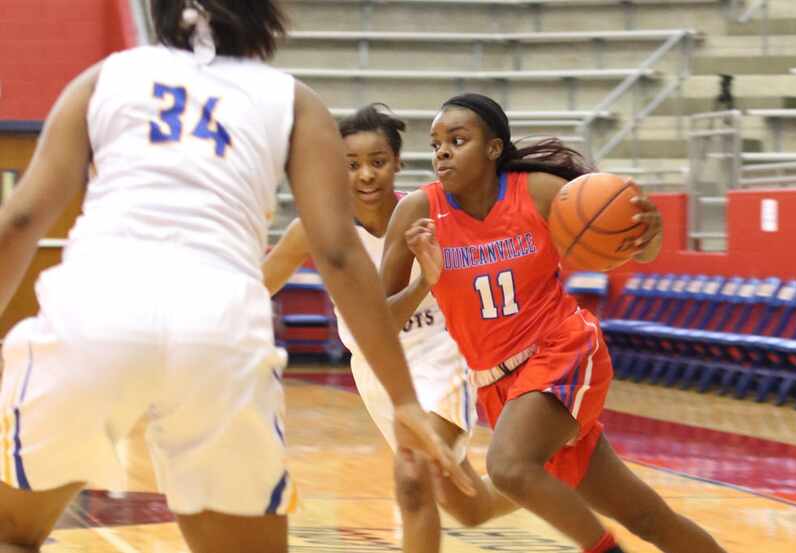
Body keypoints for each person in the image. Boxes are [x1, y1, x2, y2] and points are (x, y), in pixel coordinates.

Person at [0, 2, 471, 552]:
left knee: (13, 532)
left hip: (93, 311)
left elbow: (20, 218)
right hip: (218, 328)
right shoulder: (293, 100)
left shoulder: (104, 78)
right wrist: (405, 400)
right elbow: (340, 256)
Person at [380, 93, 728, 553]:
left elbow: (632, 245)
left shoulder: (537, 191)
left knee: (507, 466)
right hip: (499, 385)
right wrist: (427, 280)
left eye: (457, 140)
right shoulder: (420, 212)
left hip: (562, 351)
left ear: (493, 148)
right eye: (436, 143)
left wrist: (651, 234)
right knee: (647, 516)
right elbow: (377, 319)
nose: (442, 151)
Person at [263, 104, 516, 552]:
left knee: (415, 475)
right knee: (467, 507)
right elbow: (260, 284)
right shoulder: (317, 228)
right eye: (351, 165)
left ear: (397, 163)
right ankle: (556, 479)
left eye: (377, 162)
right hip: (376, 368)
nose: (365, 176)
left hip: (444, 355)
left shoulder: (434, 214)